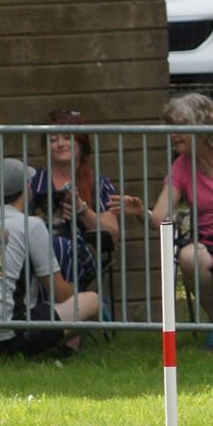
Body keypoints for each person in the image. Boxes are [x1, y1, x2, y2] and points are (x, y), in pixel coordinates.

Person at [127, 92, 213, 351]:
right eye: (171, 129)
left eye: (180, 128)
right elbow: (159, 218)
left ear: (203, 124)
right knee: (188, 258)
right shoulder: (181, 166)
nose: (174, 135)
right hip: (208, 239)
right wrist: (140, 213)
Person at [0, 158, 102, 357]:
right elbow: (60, 293)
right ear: (28, 188)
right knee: (91, 301)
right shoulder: (30, 225)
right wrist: (73, 291)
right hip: (5, 338)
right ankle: (61, 354)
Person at [29, 107, 135, 294]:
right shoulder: (32, 180)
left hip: (80, 258)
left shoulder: (98, 183)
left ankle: (56, 310)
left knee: (59, 245)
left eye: (67, 137)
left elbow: (112, 234)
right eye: (53, 140)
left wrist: (82, 211)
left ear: (81, 143)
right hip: (34, 253)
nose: (60, 144)